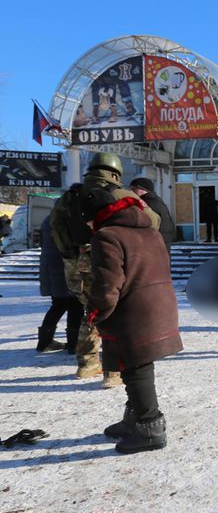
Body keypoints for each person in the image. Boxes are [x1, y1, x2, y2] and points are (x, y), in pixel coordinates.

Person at [81, 188, 182, 454]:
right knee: (134, 366)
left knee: (136, 368)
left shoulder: (107, 236)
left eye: (87, 219)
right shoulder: (150, 231)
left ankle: (150, 428)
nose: (87, 225)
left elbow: (107, 284)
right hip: (158, 304)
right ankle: (134, 419)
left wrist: (93, 312)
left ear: (97, 216)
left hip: (132, 310)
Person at [53, 153, 159, 387]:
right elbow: (154, 221)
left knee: (92, 310)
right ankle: (113, 372)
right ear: (115, 173)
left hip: (75, 263)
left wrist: (70, 255)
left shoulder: (70, 196)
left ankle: (87, 364)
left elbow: (55, 227)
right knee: (115, 313)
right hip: (109, 257)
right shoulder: (121, 194)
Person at [37, 216, 81, 353]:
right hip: (66, 266)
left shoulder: (47, 219)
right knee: (75, 304)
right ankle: (74, 344)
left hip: (50, 267)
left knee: (58, 305)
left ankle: (44, 342)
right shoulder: (69, 219)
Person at [130, 178, 174, 256]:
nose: (131, 192)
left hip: (154, 247)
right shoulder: (157, 201)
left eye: (133, 189)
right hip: (161, 245)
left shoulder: (148, 204)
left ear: (142, 189)